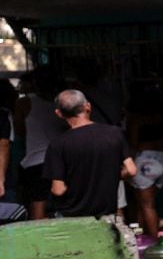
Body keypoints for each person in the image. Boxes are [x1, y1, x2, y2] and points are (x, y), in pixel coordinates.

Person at [42, 90, 135, 218]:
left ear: (59, 114)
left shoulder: (58, 144)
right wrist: (109, 176)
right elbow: (131, 170)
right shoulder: (115, 133)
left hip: (72, 216)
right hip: (106, 214)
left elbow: (58, 190)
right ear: (88, 107)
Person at [14, 66, 63, 220]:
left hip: (35, 162)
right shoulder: (63, 101)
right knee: (65, 205)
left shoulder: (25, 102)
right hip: (61, 160)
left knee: (37, 207)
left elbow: (19, 130)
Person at [126, 89, 163, 237]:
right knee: (143, 204)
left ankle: (154, 243)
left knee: (147, 206)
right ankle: (141, 239)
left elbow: (132, 144)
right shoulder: (161, 116)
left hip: (144, 162)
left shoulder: (136, 118)